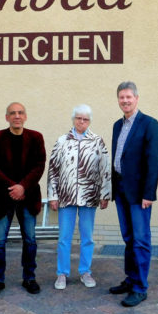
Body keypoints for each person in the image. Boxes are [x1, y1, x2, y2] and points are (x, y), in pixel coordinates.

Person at [0, 102, 46, 298]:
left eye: (20, 113)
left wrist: (23, 187)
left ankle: (29, 277)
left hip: (28, 197)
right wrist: (13, 187)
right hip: (3, 198)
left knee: (30, 240)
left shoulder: (36, 138)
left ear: (25, 116)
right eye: (13, 113)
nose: (17, 116)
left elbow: (39, 165)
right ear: (7, 117)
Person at [109, 81, 158, 307]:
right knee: (128, 238)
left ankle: (140, 288)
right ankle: (131, 280)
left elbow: (154, 161)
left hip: (140, 194)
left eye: (129, 97)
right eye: (122, 97)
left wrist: (149, 193)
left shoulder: (149, 124)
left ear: (137, 99)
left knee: (140, 240)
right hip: (121, 190)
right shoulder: (117, 126)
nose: (125, 101)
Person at [47, 104, 111, 290]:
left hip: (89, 196)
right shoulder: (62, 141)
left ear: (89, 121)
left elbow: (105, 169)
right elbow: (53, 169)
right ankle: (62, 273)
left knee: (87, 237)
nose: (81, 122)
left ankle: (85, 271)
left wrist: (105, 194)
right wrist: (53, 195)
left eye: (85, 119)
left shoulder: (97, 141)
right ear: (73, 119)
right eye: (78, 118)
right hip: (66, 196)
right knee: (64, 237)